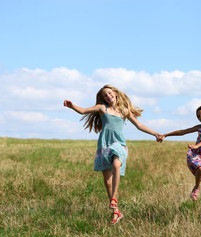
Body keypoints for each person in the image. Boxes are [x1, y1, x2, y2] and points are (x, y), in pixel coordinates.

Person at [64, 84, 161, 224]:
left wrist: (155, 133)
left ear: (115, 94)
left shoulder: (124, 111)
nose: (108, 96)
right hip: (104, 145)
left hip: (119, 144)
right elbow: (83, 110)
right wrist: (72, 106)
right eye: (105, 95)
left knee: (116, 164)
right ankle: (116, 212)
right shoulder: (102, 108)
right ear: (103, 99)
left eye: (109, 93)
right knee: (107, 181)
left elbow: (139, 126)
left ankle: (114, 198)